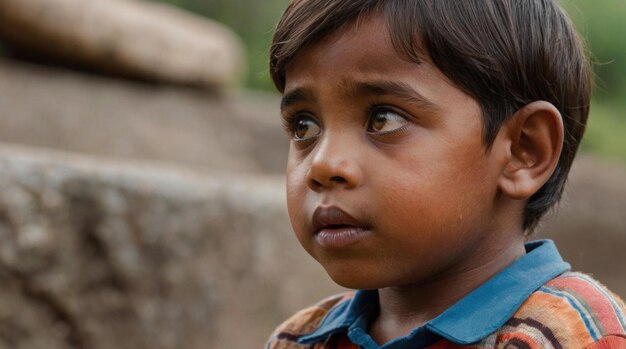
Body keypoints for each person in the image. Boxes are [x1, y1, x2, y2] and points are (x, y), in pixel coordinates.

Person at [265, 1, 626, 348]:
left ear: (523, 151)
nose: (323, 166)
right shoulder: (300, 340)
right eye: (304, 127)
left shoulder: (570, 335)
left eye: (383, 119)